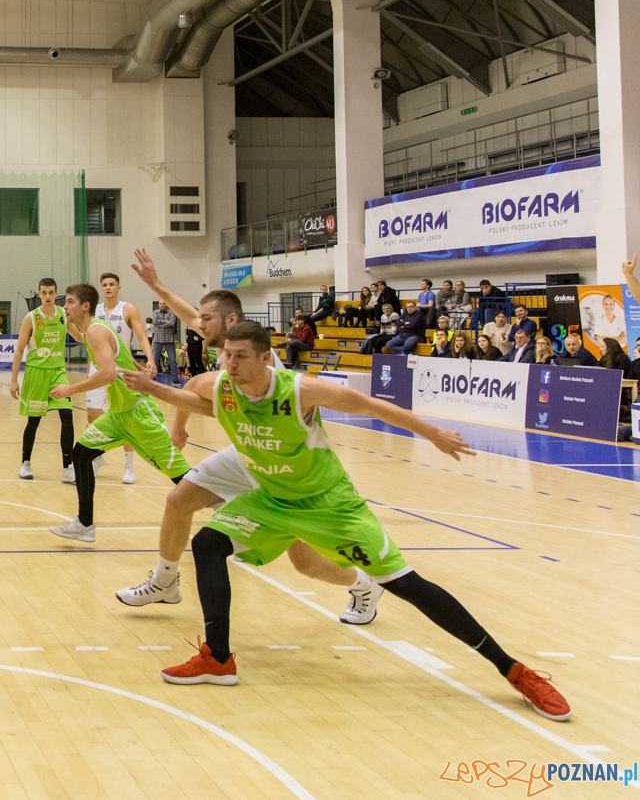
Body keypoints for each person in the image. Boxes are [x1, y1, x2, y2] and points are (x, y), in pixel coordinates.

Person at [119, 322, 572, 722]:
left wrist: (431, 433)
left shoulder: (298, 390)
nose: (230, 364)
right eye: (226, 356)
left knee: (406, 584)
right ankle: (218, 659)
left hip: (330, 505)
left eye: (239, 357)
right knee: (208, 544)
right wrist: (153, 388)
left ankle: (515, 670)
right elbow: (201, 403)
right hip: (272, 500)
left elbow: (368, 404)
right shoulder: (223, 387)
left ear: (264, 357)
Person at [120, 249, 383, 619]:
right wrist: (156, 284)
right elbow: (190, 324)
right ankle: (165, 582)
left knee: (304, 563)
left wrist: (174, 417)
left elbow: (197, 386)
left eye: (207, 319)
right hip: (246, 452)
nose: (200, 324)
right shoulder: (229, 346)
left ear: (231, 320)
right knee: (178, 501)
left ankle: (363, 586)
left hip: (277, 462)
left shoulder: (258, 360)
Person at [45, 282, 190, 544]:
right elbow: (124, 360)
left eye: (69, 302)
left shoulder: (96, 332)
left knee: (184, 479)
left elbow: (108, 373)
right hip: (118, 415)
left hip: (137, 414)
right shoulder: (96, 329)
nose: (64, 306)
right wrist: (139, 368)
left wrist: (71, 388)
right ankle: (84, 524)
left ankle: (229, 515)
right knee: (81, 455)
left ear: (85, 305)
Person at [8, 279, 74, 482]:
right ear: (39, 294)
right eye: (44, 293)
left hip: (58, 372)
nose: (47, 296)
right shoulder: (31, 318)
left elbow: (79, 335)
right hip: (37, 373)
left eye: (51, 292)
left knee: (67, 417)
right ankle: (25, 463)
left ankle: (67, 467)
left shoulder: (64, 315)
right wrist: (13, 380)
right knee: (34, 422)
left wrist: (94, 338)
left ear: (56, 294)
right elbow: (19, 349)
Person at [90, 272, 152, 486]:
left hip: (122, 370)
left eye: (112, 284)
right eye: (104, 285)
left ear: (118, 287)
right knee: (92, 416)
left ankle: (129, 465)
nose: (108, 288)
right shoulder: (95, 311)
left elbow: (142, 336)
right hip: (97, 369)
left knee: (126, 418)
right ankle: (97, 457)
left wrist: (150, 359)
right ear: (101, 288)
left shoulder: (128, 309)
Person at [150, 302, 180, 374]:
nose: (162, 305)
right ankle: (153, 377)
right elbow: (155, 322)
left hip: (169, 339)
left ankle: (175, 378)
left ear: (167, 304)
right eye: (160, 304)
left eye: (164, 303)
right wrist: (166, 322)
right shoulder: (155, 312)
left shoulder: (172, 312)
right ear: (158, 305)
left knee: (172, 360)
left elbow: (172, 323)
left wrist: (161, 325)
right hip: (157, 339)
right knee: (155, 360)